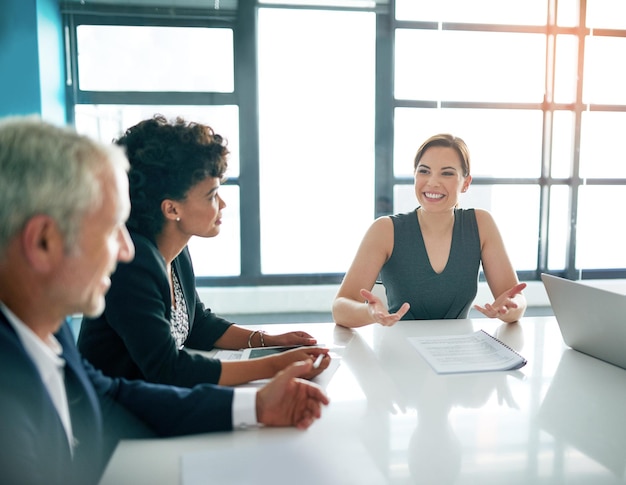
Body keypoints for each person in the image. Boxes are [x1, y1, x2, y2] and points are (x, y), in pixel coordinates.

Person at [0, 115, 329, 485]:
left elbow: (111, 394)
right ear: (43, 241)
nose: (126, 250)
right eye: (111, 229)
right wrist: (270, 369)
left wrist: (257, 405)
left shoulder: (45, 328)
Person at [77, 115, 330, 387]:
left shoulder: (175, 251)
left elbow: (198, 324)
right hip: (112, 418)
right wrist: (275, 366)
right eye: (211, 195)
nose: (222, 204)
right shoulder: (132, 263)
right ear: (171, 208)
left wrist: (270, 341)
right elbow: (168, 370)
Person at [332, 133, 527, 328]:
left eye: (447, 173)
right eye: (424, 171)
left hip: (458, 351)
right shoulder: (385, 230)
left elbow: (514, 298)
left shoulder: (481, 224)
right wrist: (370, 313)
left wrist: (510, 308)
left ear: (466, 183)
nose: (432, 182)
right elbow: (340, 307)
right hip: (400, 350)